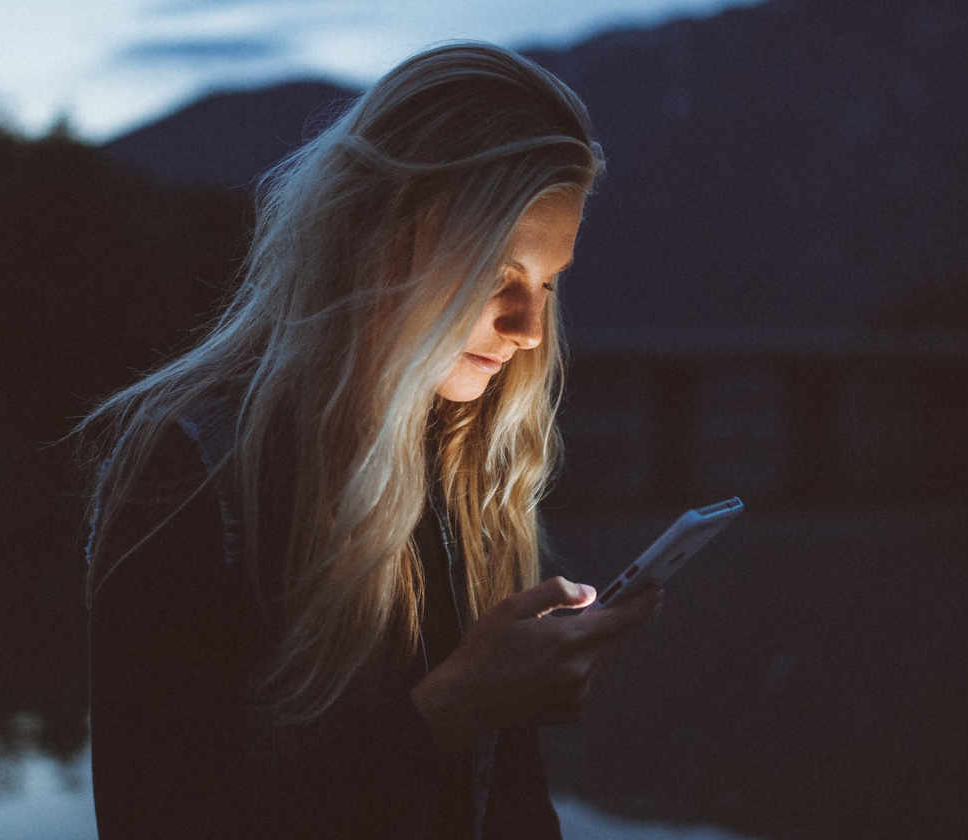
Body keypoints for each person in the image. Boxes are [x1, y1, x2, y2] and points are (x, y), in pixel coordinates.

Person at [75, 41, 662, 839]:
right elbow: (159, 815)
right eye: (498, 276)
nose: (529, 331)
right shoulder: (191, 469)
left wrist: (497, 705)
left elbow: (509, 804)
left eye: (549, 284)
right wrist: (456, 709)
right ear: (381, 234)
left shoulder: (462, 461)